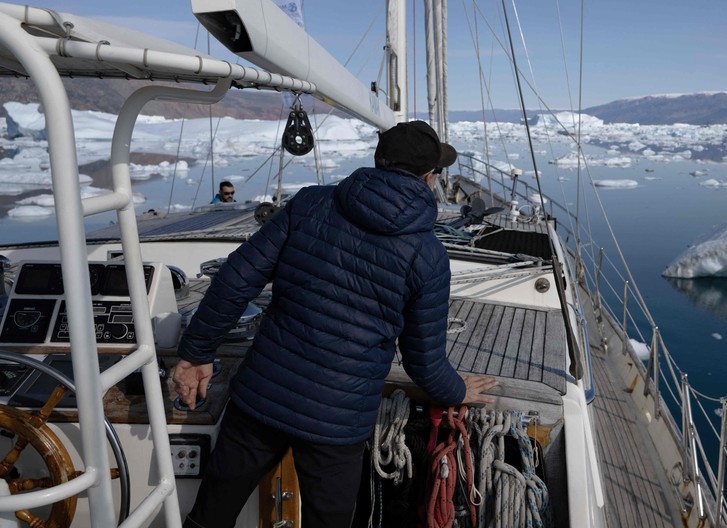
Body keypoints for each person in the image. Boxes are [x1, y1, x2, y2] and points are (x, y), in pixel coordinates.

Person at [173, 120, 498, 528]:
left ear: (379, 163)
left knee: (210, 516)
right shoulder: (428, 255)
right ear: (429, 178)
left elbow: (236, 278)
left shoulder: (311, 203)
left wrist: (195, 355)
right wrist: (457, 390)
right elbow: (422, 360)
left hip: (261, 399)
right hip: (337, 423)